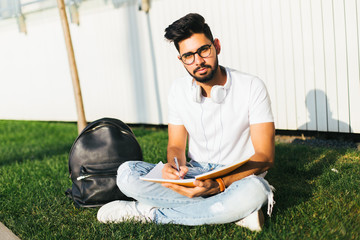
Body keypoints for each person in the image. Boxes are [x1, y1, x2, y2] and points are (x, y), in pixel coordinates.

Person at [97, 13, 275, 231]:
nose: (198, 61)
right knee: (127, 174)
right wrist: (174, 166)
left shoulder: (252, 86)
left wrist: (219, 184)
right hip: (194, 173)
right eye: (188, 56)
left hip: (237, 178)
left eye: (204, 50)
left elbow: (265, 157)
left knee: (256, 190)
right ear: (180, 60)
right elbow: (176, 146)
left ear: (216, 46)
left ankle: (148, 212)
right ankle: (233, 213)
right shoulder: (178, 90)